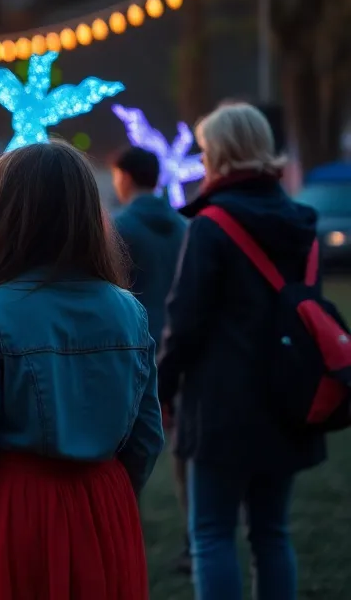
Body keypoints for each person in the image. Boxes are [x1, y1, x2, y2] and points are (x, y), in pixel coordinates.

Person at [0, 141, 163, 600]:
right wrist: (107, 497)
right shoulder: (129, 310)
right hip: (104, 503)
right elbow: (147, 434)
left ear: (4, 215)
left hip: (12, 507)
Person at [159, 102, 325, 600]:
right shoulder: (300, 221)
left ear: (223, 154)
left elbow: (185, 319)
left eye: (207, 151)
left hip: (221, 404)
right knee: (272, 533)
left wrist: (161, 388)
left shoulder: (211, 225)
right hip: (290, 397)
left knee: (210, 534)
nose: (202, 161)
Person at [110, 144, 190, 569]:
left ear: (124, 177)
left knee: (126, 446)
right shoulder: (184, 225)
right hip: (179, 343)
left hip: (133, 346)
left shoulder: (118, 228)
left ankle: (125, 533)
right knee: (184, 447)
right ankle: (194, 537)